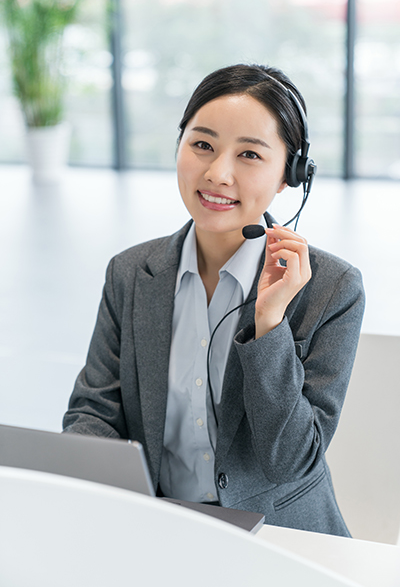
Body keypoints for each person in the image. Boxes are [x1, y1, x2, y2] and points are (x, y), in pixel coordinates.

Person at [63, 63, 365, 536]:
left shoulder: (332, 288)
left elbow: (291, 460)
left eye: (249, 154)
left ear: (290, 175)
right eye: (202, 144)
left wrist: (270, 323)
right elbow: (94, 412)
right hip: (158, 528)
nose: (218, 173)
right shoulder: (131, 272)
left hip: (281, 538)